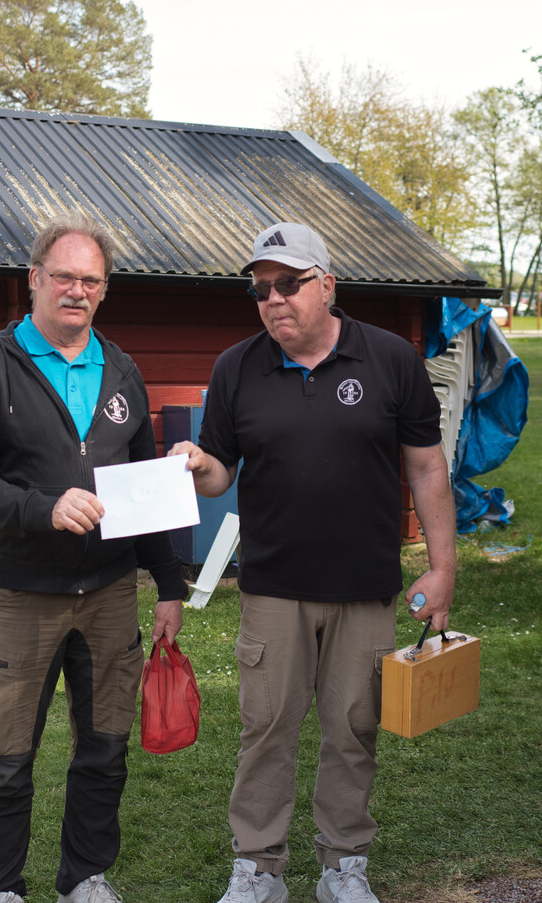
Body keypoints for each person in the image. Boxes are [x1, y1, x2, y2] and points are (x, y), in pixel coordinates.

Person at [169, 222, 456, 903]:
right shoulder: (236, 367)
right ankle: (258, 869)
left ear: (326, 285)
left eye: (288, 284)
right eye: (261, 289)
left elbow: (426, 467)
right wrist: (199, 465)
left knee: (353, 728)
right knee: (266, 729)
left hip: (364, 586)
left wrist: (442, 567)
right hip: (273, 586)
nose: (273, 299)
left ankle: (343, 866)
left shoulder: (391, 359)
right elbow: (220, 473)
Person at [0, 210, 188, 903]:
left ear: (103, 290)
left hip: (110, 594)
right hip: (23, 595)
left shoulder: (122, 370)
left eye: (91, 281)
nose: (77, 291)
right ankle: (0, 887)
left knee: (105, 746)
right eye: (64, 277)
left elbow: (144, 489)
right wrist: (40, 507)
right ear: (34, 280)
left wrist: (168, 585)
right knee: (5, 754)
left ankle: (84, 876)